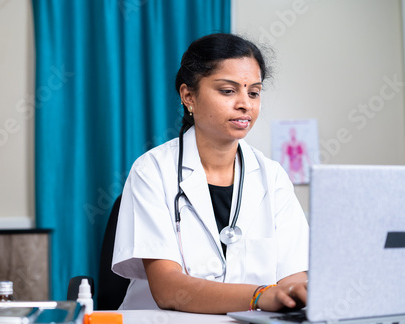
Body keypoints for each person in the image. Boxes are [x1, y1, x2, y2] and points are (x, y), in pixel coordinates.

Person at [112, 33, 309, 314]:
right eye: (228, 91)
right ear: (188, 96)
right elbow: (169, 289)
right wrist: (260, 296)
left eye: (253, 92)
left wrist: (294, 295)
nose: (245, 104)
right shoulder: (152, 170)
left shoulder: (272, 176)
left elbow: (293, 276)